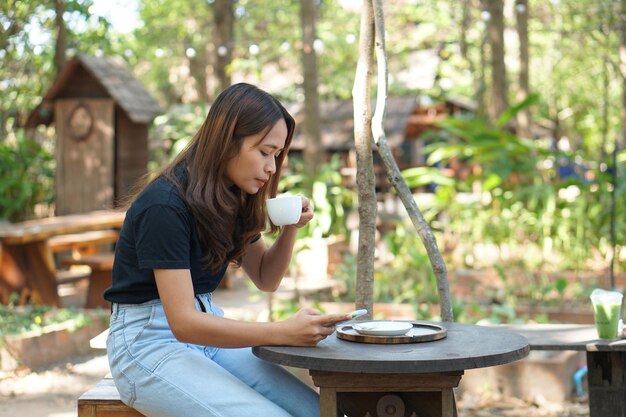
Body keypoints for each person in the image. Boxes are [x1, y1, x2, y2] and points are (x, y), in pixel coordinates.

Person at [104, 83, 351, 417]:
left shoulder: (230, 198)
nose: (272, 168)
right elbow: (183, 323)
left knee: (319, 411)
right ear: (227, 141)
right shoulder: (164, 205)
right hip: (148, 346)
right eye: (264, 152)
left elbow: (265, 277)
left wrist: (291, 227)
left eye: (276, 155)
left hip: (207, 331)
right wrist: (281, 332)